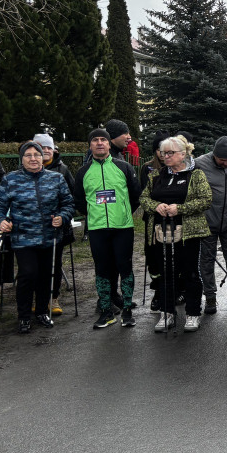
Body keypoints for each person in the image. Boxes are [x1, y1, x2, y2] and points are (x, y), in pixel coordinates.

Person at [0, 141, 75, 333]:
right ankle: (24, 316)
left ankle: (42, 312)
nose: (33, 159)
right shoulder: (11, 180)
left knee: (46, 275)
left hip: (50, 236)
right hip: (23, 238)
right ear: (22, 159)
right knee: (28, 274)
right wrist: (0, 221)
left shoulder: (56, 178)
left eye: (36, 155)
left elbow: (69, 203)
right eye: (28, 155)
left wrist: (63, 217)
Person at [140, 135, 211, 332]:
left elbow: (206, 200)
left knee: (189, 273)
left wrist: (180, 209)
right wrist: (157, 206)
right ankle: (167, 312)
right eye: (164, 153)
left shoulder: (196, 175)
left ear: (183, 154)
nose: (166, 156)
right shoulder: (156, 175)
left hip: (188, 233)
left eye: (171, 153)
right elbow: (144, 198)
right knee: (165, 272)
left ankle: (193, 313)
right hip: (160, 231)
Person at [74, 127, 141, 330]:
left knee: (125, 268)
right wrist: (95, 215)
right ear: (90, 145)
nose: (100, 143)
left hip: (122, 227)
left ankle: (127, 310)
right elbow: (79, 201)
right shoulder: (83, 172)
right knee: (102, 270)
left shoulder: (124, 167)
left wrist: (122, 212)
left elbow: (135, 196)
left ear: (109, 143)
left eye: (103, 139)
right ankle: (106, 311)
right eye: (95, 140)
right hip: (97, 229)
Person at [196, 136, 227, 316]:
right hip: (207, 221)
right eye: (222, 160)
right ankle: (210, 296)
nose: (226, 163)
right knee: (206, 261)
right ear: (214, 156)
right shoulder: (199, 164)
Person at [34, 133, 76, 316]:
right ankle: (38, 299)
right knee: (34, 265)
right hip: (33, 227)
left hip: (57, 226)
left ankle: (54, 298)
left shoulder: (63, 170)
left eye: (49, 148)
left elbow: (72, 197)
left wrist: (63, 215)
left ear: (54, 150)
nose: (45, 151)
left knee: (54, 263)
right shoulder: (26, 168)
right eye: (42, 148)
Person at [139, 131, 170, 314]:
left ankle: (171, 289)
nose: (162, 153)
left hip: (171, 218)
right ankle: (157, 290)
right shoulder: (148, 168)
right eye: (159, 149)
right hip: (152, 219)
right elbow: (144, 193)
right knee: (153, 256)